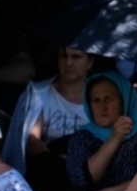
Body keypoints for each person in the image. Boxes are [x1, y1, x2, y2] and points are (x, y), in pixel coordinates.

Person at [6, 47, 93, 176]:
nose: (68, 63)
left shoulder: (99, 97)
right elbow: (32, 139)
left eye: (76, 57)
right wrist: (57, 163)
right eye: (63, 56)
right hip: (48, 172)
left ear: (90, 63)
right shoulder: (39, 95)